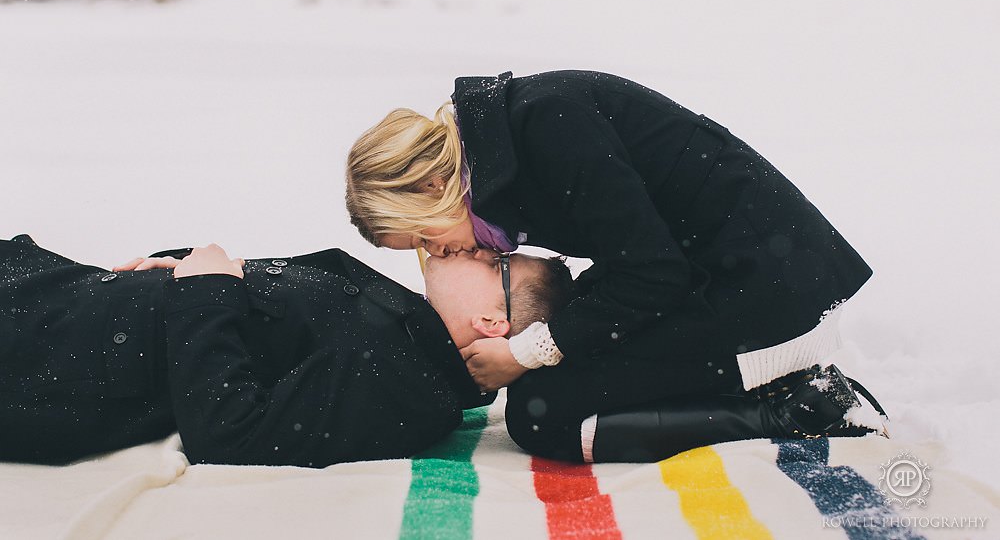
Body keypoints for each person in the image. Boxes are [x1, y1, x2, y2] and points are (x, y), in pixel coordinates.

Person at [346, 69, 886, 463]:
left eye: (422, 237)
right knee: (562, 370)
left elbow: (652, 274)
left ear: (430, 187)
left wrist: (524, 350)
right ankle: (772, 391)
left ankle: (803, 411)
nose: (436, 254)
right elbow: (639, 260)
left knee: (543, 414)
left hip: (765, 289)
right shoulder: (513, 139)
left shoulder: (546, 126)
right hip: (724, 271)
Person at [0, 233, 571, 467]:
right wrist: (179, 268)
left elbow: (231, 436)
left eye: (495, 261)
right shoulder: (408, 334)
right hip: (60, 301)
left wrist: (204, 290)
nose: (475, 246)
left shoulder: (403, 387)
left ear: (492, 322)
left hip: (44, 360)